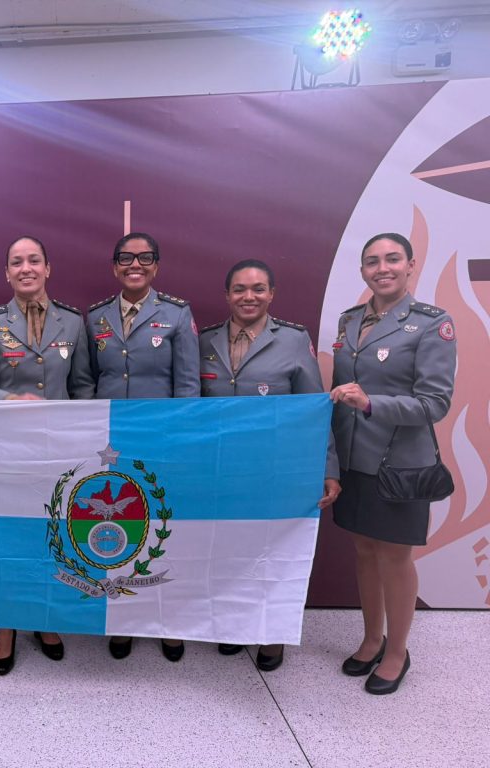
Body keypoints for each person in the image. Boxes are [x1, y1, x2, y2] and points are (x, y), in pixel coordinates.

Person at [199, 258, 340, 671]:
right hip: (222, 470)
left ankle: (272, 635)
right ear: (227, 295)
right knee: (228, 552)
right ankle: (235, 626)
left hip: (275, 470)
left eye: (258, 288)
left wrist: (327, 467)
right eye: (240, 289)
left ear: (272, 294)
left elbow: (316, 409)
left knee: (273, 554)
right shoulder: (204, 340)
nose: (249, 296)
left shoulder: (294, 340)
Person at [330, 232, 456, 695]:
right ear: (362, 270)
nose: (381, 268)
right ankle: (371, 638)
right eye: (371, 261)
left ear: (410, 265)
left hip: (399, 463)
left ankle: (398, 652)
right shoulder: (349, 321)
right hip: (353, 458)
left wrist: (370, 404)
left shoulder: (431, 323)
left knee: (395, 558)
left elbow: (434, 404)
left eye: (391, 259)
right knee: (364, 552)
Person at [0, 235, 95, 675]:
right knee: (9, 537)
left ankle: (43, 618)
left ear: (47, 268)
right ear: (6, 273)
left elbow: (83, 388)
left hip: (56, 452)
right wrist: (10, 401)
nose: (26, 268)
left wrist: (78, 435)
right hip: (8, 450)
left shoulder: (74, 323)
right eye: (16, 262)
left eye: (34, 260)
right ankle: (6, 626)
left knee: (51, 535)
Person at [87, 231, 199, 663]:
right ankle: (125, 618)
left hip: (161, 441)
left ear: (156, 265)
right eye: (126, 258)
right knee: (120, 532)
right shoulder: (95, 317)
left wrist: (182, 440)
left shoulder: (175, 313)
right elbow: (87, 379)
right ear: (115, 266)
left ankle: (167, 620)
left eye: (145, 257)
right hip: (111, 444)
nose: (135, 264)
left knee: (164, 534)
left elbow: (188, 386)